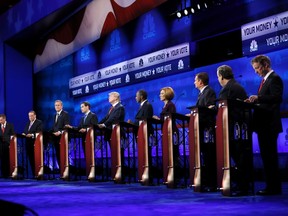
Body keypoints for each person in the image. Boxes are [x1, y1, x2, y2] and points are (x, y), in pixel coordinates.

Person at [245, 55, 283, 195]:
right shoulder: (265, 80)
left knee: (270, 158)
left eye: (257, 68)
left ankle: (273, 188)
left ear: (266, 64)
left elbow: (277, 98)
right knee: (267, 157)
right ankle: (272, 187)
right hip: (264, 125)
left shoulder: (275, 78)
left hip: (269, 125)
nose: (256, 71)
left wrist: (258, 98)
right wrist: (254, 101)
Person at [216, 65, 249, 195]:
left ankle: (242, 186)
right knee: (241, 158)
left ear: (222, 76)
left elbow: (224, 112)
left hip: (233, 130)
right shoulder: (237, 86)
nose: (218, 78)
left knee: (239, 158)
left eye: (218, 76)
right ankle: (242, 185)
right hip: (240, 129)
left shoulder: (227, 89)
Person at [193, 72, 217, 191]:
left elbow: (211, 109)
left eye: (195, 80)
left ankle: (212, 184)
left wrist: (197, 114)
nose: (194, 82)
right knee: (205, 156)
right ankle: (206, 181)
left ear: (201, 82)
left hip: (207, 129)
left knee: (209, 156)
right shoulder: (201, 93)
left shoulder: (209, 92)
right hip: (201, 129)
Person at [22, 111, 43, 177]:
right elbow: (25, 131)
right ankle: (34, 174)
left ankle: (38, 173)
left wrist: (32, 135)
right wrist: (24, 134)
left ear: (35, 115)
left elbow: (39, 133)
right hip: (28, 144)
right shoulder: (28, 123)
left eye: (31, 116)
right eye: (29, 116)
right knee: (31, 159)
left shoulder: (39, 122)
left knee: (35, 159)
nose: (30, 117)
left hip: (35, 143)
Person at [51, 100, 70, 170]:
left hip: (62, 138)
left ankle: (66, 171)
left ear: (61, 106)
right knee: (58, 154)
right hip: (55, 138)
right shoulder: (55, 115)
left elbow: (66, 126)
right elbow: (54, 127)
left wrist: (60, 132)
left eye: (58, 105)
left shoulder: (65, 114)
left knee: (63, 155)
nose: (57, 106)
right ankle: (61, 172)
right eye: (56, 105)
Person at [0, 114, 15, 178]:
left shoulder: (10, 125)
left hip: (7, 145)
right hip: (0, 145)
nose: (0, 121)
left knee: (7, 159)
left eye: (1, 120)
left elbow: (12, 135)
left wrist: (10, 144)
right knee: (2, 160)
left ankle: (8, 174)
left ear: (4, 119)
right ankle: (3, 174)